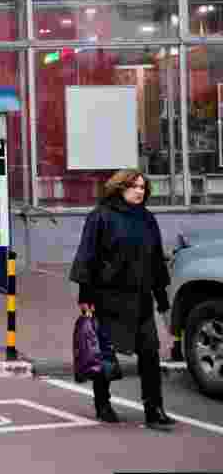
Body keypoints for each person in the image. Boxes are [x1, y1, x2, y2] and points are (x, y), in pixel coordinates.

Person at [69, 169, 175, 429]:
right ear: (120, 188)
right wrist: (85, 294)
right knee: (103, 353)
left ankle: (154, 408)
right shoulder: (101, 216)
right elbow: (87, 256)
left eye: (142, 187)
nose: (140, 191)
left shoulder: (147, 219)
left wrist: (161, 297)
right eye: (134, 186)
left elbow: (155, 260)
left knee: (150, 353)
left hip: (140, 299)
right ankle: (102, 403)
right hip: (109, 298)